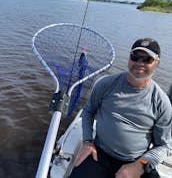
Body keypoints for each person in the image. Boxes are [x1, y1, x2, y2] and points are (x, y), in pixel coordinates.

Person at [69, 38, 172, 178]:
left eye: (147, 59)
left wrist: (141, 164)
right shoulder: (106, 84)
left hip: (136, 160)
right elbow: (88, 111)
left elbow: (164, 146)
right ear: (129, 58)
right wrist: (87, 141)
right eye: (135, 57)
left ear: (157, 63)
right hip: (99, 154)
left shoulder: (162, 102)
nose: (139, 63)